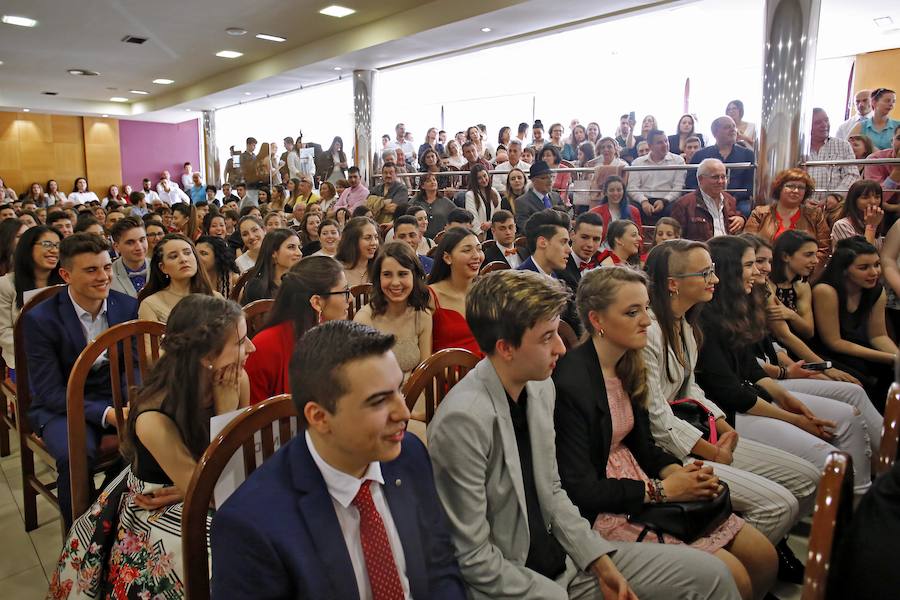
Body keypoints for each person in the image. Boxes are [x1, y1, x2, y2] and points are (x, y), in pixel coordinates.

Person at [428, 269, 742, 600]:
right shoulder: (464, 421)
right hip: (512, 578)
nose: (561, 348)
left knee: (714, 576)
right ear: (506, 348)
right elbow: (473, 557)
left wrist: (599, 561)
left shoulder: (539, 388)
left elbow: (553, 492)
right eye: (547, 337)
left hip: (564, 560)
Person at [554, 267, 777, 600]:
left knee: (763, 557)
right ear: (597, 320)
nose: (647, 320)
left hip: (642, 479)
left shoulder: (629, 362)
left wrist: (679, 473)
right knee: (734, 576)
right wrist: (662, 490)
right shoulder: (571, 381)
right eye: (632, 312)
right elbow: (581, 488)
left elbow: (643, 444)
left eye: (646, 308)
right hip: (609, 504)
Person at [213, 319, 466, 599]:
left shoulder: (408, 455)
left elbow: (440, 567)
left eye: (398, 389)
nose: (404, 413)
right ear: (320, 417)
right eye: (379, 401)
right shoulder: (251, 526)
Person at [49, 294, 254, 598]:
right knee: (225, 556)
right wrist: (224, 416)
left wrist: (190, 486)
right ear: (205, 356)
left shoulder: (235, 379)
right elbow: (212, 494)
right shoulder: (153, 417)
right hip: (152, 502)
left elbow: (240, 461)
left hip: (201, 484)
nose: (251, 347)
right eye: (240, 341)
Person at [643, 240, 819, 579]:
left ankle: (760, 558)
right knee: (778, 504)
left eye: (712, 270)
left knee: (808, 478)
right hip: (668, 449)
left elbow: (690, 389)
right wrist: (712, 450)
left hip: (695, 432)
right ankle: (734, 574)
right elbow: (656, 416)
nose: (715, 279)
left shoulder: (684, 323)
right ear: (673, 284)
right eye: (705, 273)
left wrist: (723, 427)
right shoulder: (650, 330)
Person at [696, 236, 872, 496]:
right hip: (730, 413)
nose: (759, 271)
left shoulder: (731, 310)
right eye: (750, 265)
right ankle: (853, 504)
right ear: (729, 270)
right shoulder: (705, 320)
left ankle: (862, 496)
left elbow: (751, 368)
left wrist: (788, 400)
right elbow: (729, 392)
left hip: (750, 396)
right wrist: (794, 418)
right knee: (828, 458)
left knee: (848, 415)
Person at [23, 233, 138, 527]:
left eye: (107, 267)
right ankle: (79, 535)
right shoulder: (41, 319)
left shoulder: (126, 306)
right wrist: (107, 413)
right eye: (91, 270)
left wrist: (130, 402)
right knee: (75, 454)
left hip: (114, 393)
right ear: (66, 275)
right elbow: (49, 391)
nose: (103, 277)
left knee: (154, 433)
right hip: (61, 404)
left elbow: (133, 365)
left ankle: (108, 512)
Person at [243, 257, 348, 404]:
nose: (350, 299)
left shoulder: (336, 335)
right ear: (317, 302)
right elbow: (256, 413)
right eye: (344, 292)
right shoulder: (265, 346)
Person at [813, 236, 897, 408]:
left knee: (893, 371)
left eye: (877, 264)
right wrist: (891, 358)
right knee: (864, 377)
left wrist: (896, 357)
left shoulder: (876, 290)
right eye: (864, 267)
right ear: (844, 269)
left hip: (852, 346)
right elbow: (833, 342)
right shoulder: (826, 290)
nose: (874, 272)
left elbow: (878, 336)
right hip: (822, 351)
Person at [354, 241, 432, 376]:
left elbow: (425, 372)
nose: (395, 283)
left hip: (415, 387)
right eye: (387, 274)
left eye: (402, 274)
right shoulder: (364, 319)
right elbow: (361, 377)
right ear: (378, 278)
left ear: (414, 276)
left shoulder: (422, 316)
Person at [0, 225, 63, 380]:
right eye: (47, 244)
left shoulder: (65, 283)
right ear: (28, 247)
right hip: (25, 361)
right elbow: (3, 331)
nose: (54, 250)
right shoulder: (6, 284)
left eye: (58, 246)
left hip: (64, 357)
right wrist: (38, 351)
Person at [744, 168, 830, 260]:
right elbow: (748, 245)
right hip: (766, 266)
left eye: (801, 187)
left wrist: (808, 266)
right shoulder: (760, 213)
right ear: (779, 188)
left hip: (805, 268)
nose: (796, 190)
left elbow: (824, 250)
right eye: (790, 186)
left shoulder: (815, 215)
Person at [427, 227, 484, 357]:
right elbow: (426, 355)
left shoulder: (485, 291)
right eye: (467, 250)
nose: (476, 256)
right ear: (447, 258)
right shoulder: (430, 297)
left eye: (479, 249)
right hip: (448, 368)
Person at [137, 234, 216, 325]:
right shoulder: (150, 304)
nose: (183, 259)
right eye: (174, 256)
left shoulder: (215, 297)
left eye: (187, 253)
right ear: (163, 267)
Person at [686, 116, 756, 216]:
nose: (733, 130)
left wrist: (733, 198)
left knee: (746, 210)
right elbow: (691, 182)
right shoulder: (699, 155)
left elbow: (750, 184)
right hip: (704, 199)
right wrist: (706, 197)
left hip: (738, 200)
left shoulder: (748, 154)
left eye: (734, 126)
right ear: (715, 132)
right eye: (727, 127)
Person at [671, 158, 745, 241]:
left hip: (729, 247)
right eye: (715, 177)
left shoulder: (729, 199)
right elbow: (676, 240)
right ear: (700, 179)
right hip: (701, 248)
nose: (720, 181)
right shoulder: (683, 204)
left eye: (723, 177)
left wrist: (741, 219)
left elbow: (736, 216)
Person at [627, 130, 686, 224]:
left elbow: (678, 187)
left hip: (668, 200)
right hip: (643, 200)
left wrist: (664, 201)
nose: (665, 145)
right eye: (660, 142)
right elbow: (632, 187)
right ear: (650, 146)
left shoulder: (678, 161)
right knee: (630, 209)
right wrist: (643, 201)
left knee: (676, 208)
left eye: (666, 141)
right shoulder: (637, 163)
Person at [805, 108, 860, 203]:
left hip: (836, 205)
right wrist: (805, 201)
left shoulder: (843, 145)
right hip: (803, 205)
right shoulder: (798, 147)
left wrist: (835, 197)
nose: (824, 125)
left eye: (826, 120)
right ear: (807, 125)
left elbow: (852, 175)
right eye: (818, 123)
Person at [242, 228, 303, 304]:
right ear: (273, 253)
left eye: (299, 247)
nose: (299, 253)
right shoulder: (256, 288)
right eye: (291, 247)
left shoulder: (303, 283)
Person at [831, 179, 886, 249]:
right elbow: (863, 254)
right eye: (865, 198)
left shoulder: (875, 220)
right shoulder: (842, 225)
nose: (873, 202)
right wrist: (871, 226)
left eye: (877, 197)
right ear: (854, 200)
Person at [514, 161, 564, 232]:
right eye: (544, 178)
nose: (550, 181)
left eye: (551, 177)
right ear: (533, 180)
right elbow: (525, 227)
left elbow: (565, 218)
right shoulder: (522, 202)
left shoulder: (556, 197)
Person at [559, 212, 604, 291]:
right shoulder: (558, 266)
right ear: (572, 235)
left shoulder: (601, 269)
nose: (590, 244)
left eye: (596, 239)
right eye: (584, 237)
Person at [589, 175, 642, 241]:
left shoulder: (634, 211)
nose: (615, 193)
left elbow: (639, 238)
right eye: (611, 190)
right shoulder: (595, 212)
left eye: (619, 190)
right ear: (605, 193)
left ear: (623, 191)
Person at [108, 216, 149, 298]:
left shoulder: (161, 268)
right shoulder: (108, 275)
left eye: (142, 240)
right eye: (130, 242)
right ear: (116, 247)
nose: (139, 247)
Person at [412, 173, 458, 239]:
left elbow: (457, 215)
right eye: (428, 181)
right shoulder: (415, 201)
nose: (432, 182)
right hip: (420, 238)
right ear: (422, 186)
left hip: (441, 239)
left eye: (434, 180)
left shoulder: (446, 201)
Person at [196, 234, 239, 299]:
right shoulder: (191, 279)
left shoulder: (233, 279)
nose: (197, 258)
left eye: (204, 253)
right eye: (196, 253)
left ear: (217, 256)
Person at [464, 164, 500, 235]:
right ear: (474, 180)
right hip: (480, 233)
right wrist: (479, 233)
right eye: (479, 178)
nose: (483, 180)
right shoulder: (470, 195)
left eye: (484, 176)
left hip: (494, 231)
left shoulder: (494, 191)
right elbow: (472, 217)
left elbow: (498, 212)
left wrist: (490, 223)